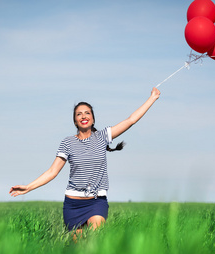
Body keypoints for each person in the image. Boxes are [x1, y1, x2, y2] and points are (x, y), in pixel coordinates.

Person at [9, 87, 161, 235]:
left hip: (96, 202)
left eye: (87, 113)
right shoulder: (67, 143)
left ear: (93, 119)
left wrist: (152, 98)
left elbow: (130, 120)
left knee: (94, 239)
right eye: (79, 114)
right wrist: (28, 187)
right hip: (73, 205)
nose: (83, 116)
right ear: (75, 121)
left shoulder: (103, 137)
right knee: (80, 250)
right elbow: (52, 172)